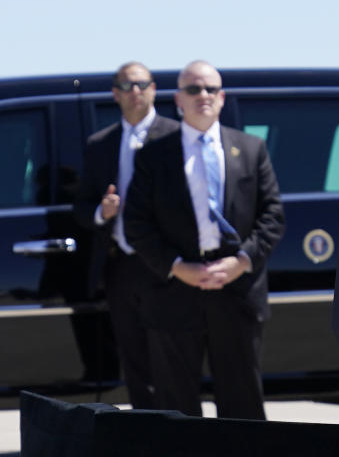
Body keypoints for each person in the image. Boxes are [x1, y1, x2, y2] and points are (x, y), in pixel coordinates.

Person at [123, 60, 284, 419]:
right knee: (176, 409)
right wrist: (177, 267)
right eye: (194, 89)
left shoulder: (252, 148)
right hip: (174, 295)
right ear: (178, 100)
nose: (204, 96)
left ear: (222, 97)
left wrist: (240, 261)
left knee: (242, 406)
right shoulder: (153, 155)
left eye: (211, 89)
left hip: (236, 292)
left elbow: (272, 217)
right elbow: (136, 223)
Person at [73, 62, 179, 408]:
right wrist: (101, 212)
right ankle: (144, 436)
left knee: (172, 356)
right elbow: (81, 204)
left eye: (143, 84)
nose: (136, 91)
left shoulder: (177, 136)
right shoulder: (100, 144)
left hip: (166, 265)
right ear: (115, 93)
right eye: (128, 85)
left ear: (154, 90)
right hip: (120, 266)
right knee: (133, 359)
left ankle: (179, 434)